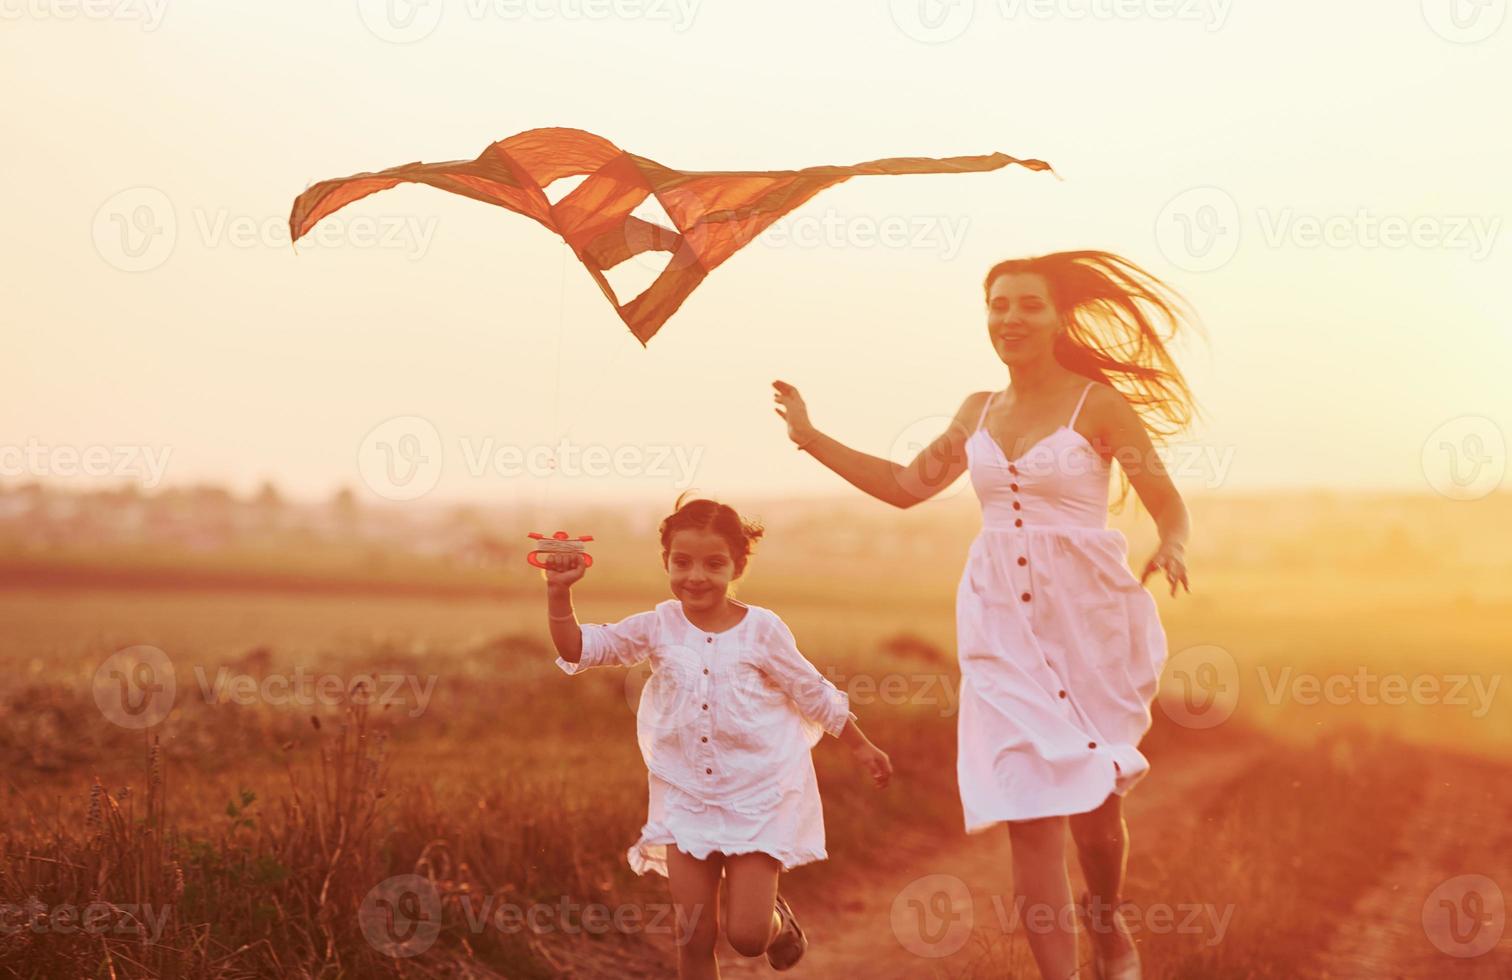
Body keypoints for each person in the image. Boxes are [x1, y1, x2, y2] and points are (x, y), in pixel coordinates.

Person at [771, 250, 1198, 980]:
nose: (1010, 318)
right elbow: (906, 486)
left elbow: (1166, 502)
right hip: (1000, 626)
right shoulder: (977, 411)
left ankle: (1106, 918)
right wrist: (811, 437)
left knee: (1095, 813)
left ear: (1060, 315)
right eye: (998, 304)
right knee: (1029, 816)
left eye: (1027, 304)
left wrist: (1175, 544)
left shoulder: (1096, 405)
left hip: (1087, 622)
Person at [544, 493, 893, 979]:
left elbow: (809, 690)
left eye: (713, 564)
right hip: (687, 797)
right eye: (681, 562)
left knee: (747, 939)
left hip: (758, 795)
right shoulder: (658, 626)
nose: (696, 576)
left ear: (736, 566)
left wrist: (860, 744)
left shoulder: (763, 630)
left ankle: (777, 921)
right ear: (666, 562)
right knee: (693, 936)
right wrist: (559, 592)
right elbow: (580, 647)